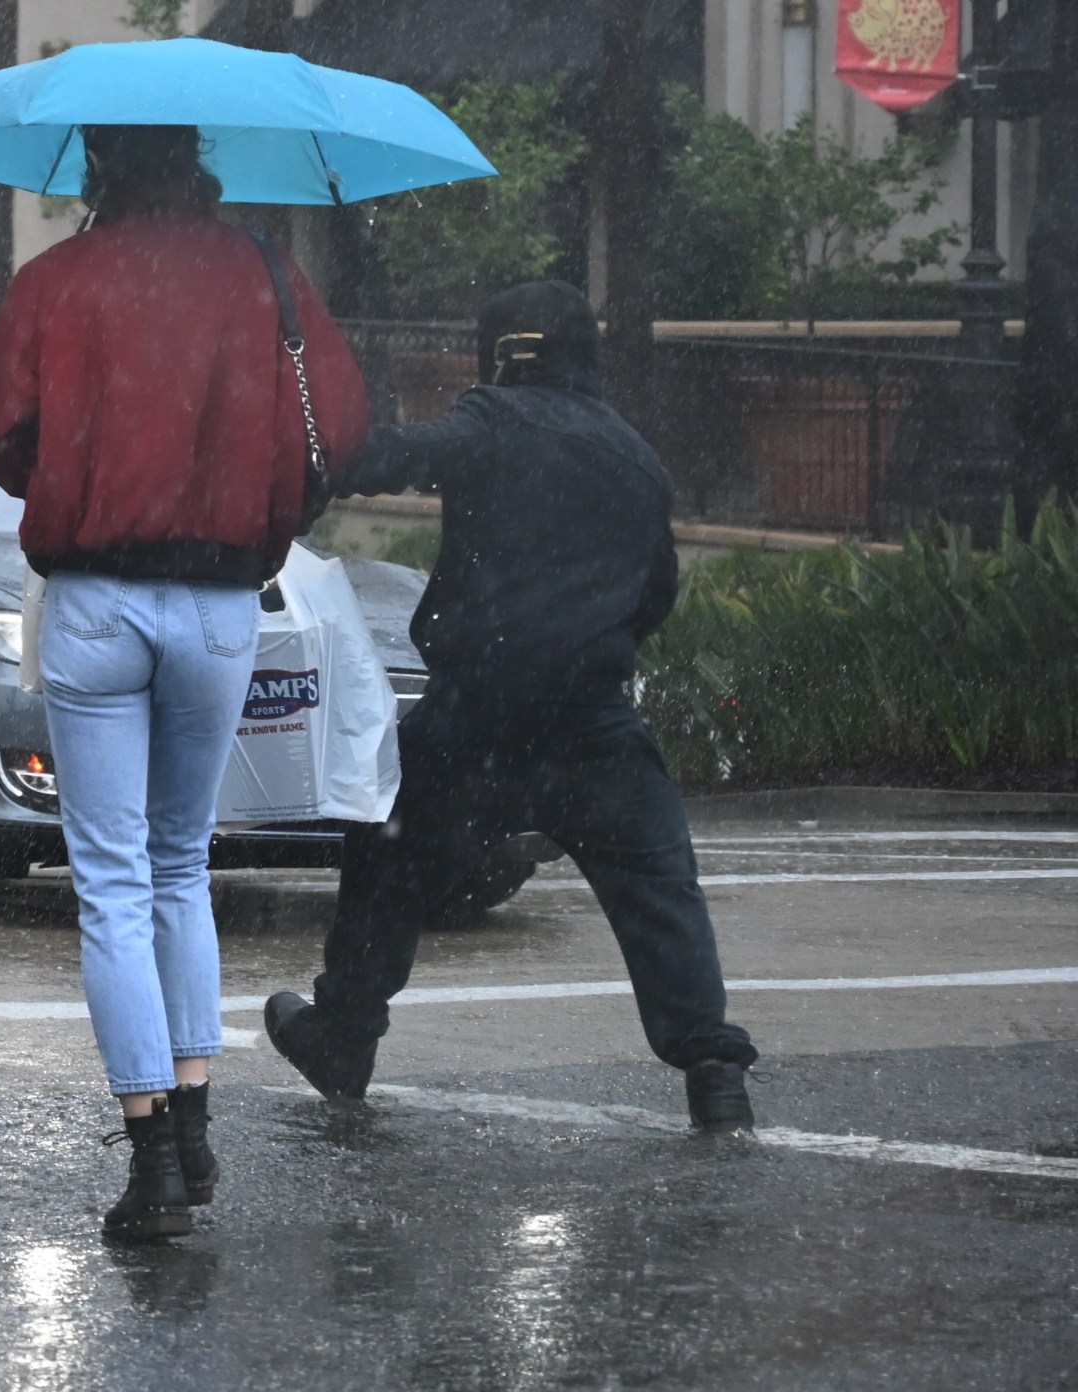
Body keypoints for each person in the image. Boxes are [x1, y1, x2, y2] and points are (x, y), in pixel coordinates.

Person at [0, 126, 370, 1242]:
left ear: (99, 170)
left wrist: (78, 461)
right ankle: (194, 1123)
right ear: (199, 164)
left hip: (97, 597)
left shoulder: (55, 279)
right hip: (222, 601)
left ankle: (149, 1156)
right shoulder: (262, 273)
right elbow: (338, 422)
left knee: (108, 880)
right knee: (180, 863)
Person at [261, 279, 761, 1133]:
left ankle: (345, 1032)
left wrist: (315, 450)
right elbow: (656, 596)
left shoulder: (495, 419)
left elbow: (391, 458)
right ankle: (713, 1067)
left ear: (507, 354)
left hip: (478, 715)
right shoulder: (638, 457)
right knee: (659, 889)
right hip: (596, 719)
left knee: (384, 846)